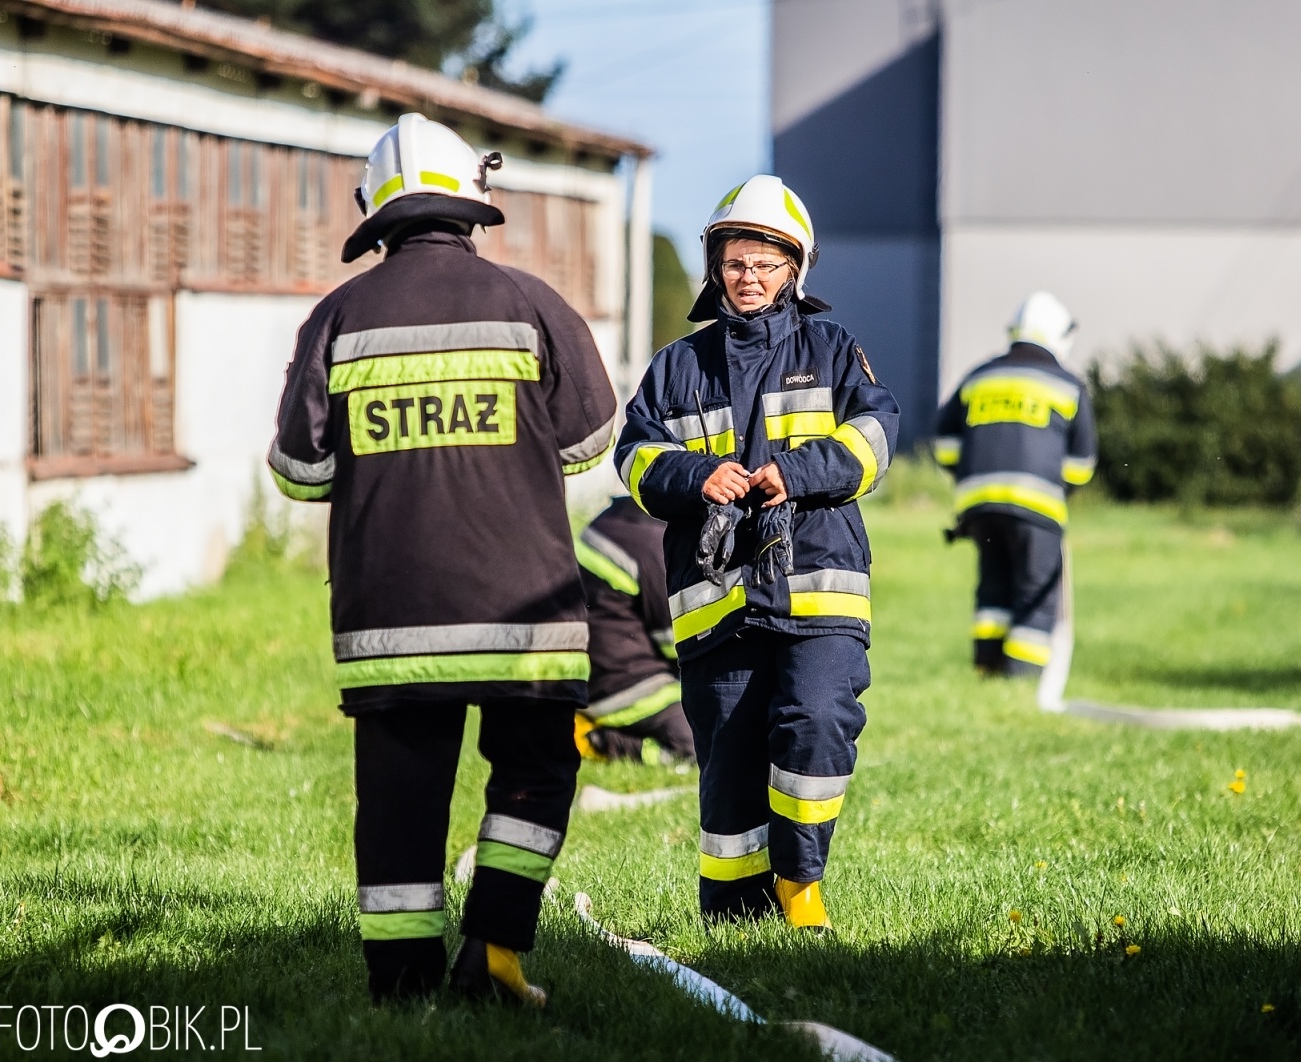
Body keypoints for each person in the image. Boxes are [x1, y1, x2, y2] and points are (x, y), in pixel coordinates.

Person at [268, 113, 617, 1005]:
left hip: (389, 623)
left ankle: (401, 985)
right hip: (526, 617)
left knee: (398, 800)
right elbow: (591, 441)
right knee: (536, 770)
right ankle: (495, 951)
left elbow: (301, 472)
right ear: (473, 201)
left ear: (375, 212)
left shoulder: (336, 317)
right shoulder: (535, 304)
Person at [614, 175, 900, 930]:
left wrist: (798, 472)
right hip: (717, 598)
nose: (749, 277)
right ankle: (735, 921)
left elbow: (876, 437)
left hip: (819, 589)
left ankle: (800, 885)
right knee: (728, 759)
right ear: (717, 267)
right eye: (737, 262)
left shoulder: (833, 350)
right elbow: (634, 458)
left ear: (794, 271)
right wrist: (695, 474)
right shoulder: (677, 365)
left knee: (817, 717)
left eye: (765, 264)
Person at [933, 292, 1097, 676]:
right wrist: (1059, 491)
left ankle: (988, 669)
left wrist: (971, 476)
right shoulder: (1068, 384)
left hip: (979, 506)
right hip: (1037, 508)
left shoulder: (980, 375)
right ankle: (1022, 680)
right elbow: (1081, 465)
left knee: (993, 585)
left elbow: (943, 442)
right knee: (1035, 590)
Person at [575, 495, 695, 764]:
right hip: (628, 688)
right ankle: (603, 743)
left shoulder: (613, 519)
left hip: (590, 678)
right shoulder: (655, 544)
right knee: (704, 742)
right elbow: (678, 641)